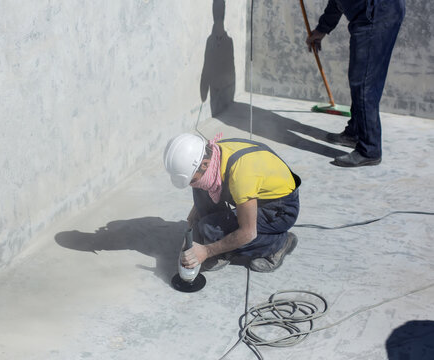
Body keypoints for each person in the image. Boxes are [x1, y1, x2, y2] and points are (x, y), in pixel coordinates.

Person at [163, 133, 301, 272]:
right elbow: (204, 184)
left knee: (209, 229)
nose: (191, 184)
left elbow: (248, 232)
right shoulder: (213, 153)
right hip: (256, 193)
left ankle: (279, 243)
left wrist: (207, 251)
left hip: (280, 208)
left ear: (204, 164)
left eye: (191, 179)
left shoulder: (241, 177)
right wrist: (196, 210)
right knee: (201, 188)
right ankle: (221, 242)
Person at [307, 0, 405, 167]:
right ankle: (356, 133)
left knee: (364, 82)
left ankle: (369, 150)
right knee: (360, 78)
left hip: (376, 14)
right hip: (371, 13)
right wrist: (322, 29)